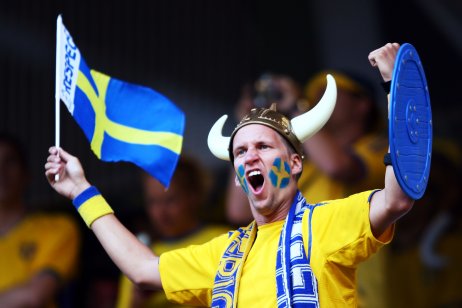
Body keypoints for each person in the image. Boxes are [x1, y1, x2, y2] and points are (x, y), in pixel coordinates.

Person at [44, 42, 414, 306]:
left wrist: (395, 89)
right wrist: (81, 190)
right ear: (237, 177)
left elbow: (396, 197)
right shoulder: (224, 254)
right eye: (240, 152)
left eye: (264, 147)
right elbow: (143, 269)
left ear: (296, 163)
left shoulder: (328, 222)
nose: (250, 156)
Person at [116, 155, 229, 308]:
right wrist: (136, 302)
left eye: (170, 200)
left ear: (193, 196)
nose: (161, 212)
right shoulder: (141, 258)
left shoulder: (223, 239)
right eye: (153, 202)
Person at [0, 133, 80, 307]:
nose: (1, 170)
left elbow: (34, 296)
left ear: (26, 174)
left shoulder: (58, 228)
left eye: (10, 161)